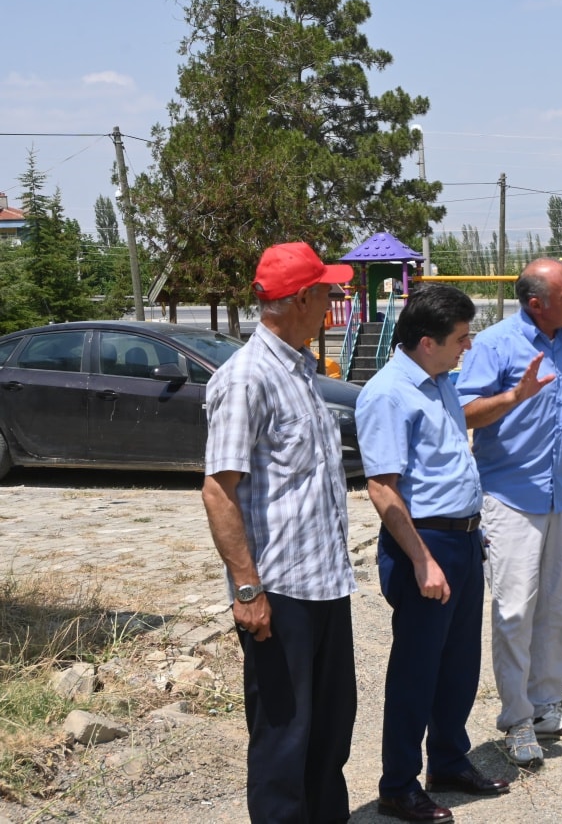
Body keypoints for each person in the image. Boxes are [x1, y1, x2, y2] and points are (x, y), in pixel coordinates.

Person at [201, 241, 357, 823]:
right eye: (325, 292)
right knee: (283, 740)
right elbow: (219, 489)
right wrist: (247, 589)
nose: (332, 302)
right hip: (280, 594)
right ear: (298, 300)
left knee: (329, 733)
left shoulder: (299, 370)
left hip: (325, 586)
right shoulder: (246, 379)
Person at [356, 285, 513, 823]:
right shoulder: (387, 394)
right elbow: (383, 488)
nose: (466, 348)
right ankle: (398, 785)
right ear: (427, 342)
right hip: (424, 543)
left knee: (458, 666)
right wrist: (423, 559)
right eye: (461, 339)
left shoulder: (440, 381)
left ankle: (447, 760)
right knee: (416, 672)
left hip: (464, 538)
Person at [455, 258, 562, 767]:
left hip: (561, 495)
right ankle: (517, 720)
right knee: (515, 609)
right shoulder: (496, 344)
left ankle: (546, 707)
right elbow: (463, 412)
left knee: (560, 606)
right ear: (536, 303)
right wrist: (513, 396)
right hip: (507, 497)